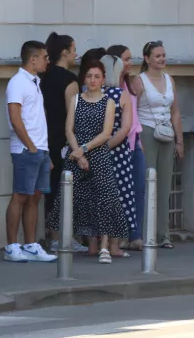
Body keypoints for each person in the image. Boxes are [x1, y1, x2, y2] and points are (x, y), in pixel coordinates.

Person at [49, 60, 128, 264]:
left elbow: (106, 133)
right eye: (89, 76)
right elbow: (69, 129)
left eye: (97, 76)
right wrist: (78, 153)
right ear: (85, 78)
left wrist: (84, 149)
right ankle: (75, 243)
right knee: (75, 199)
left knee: (104, 199)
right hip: (76, 155)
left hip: (99, 154)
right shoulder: (76, 99)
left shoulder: (108, 102)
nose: (92, 80)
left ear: (103, 79)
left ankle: (104, 247)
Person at [3, 41, 57, 263]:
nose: (47, 61)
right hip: (26, 149)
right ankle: (11, 246)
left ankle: (31, 244)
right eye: (44, 57)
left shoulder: (35, 82)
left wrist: (44, 152)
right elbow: (15, 119)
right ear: (32, 59)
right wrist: (32, 147)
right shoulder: (18, 82)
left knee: (35, 197)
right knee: (20, 195)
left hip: (39, 148)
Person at [131, 41, 183, 248]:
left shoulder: (169, 79)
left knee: (164, 184)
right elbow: (133, 112)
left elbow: (176, 111)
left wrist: (180, 140)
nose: (162, 59)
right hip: (146, 132)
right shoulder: (139, 80)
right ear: (147, 58)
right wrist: (136, 140)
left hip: (167, 132)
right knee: (146, 182)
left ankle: (163, 233)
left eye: (163, 55)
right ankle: (144, 232)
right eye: (157, 55)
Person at [41, 33, 85, 253]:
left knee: (49, 190)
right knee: (64, 189)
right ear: (64, 51)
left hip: (42, 138)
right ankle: (60, 237)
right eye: (74, 49)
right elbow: (73, 116)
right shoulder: (69, 81)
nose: (76, 53)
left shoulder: (43, 76)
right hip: (63, 141)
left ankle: (51, 235)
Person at [107, 44, 145, 250]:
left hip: (134, 143)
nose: (130, 63)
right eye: (126, 59)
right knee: (119, 191)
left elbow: (135, 119)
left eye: (131, 59)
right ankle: (118, 236)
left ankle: (134, 234)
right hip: (117, 146)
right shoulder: (111, 87)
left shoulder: (130, 85)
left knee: (138, 190)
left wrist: (140, 143)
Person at [100, 54, 138, 251]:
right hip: (119, 153)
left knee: (100, 197)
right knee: (118, 197)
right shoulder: (121, 95)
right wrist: (107, 147)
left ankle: (99, 245)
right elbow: (125, 129)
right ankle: (113, 246)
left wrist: (96, 147)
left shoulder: (91, 93)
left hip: (95, 150)